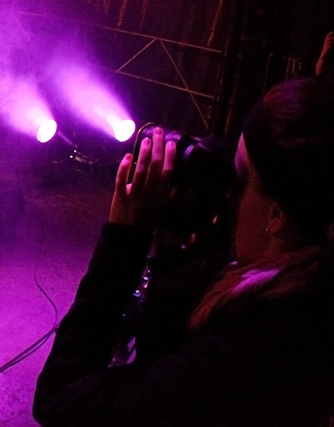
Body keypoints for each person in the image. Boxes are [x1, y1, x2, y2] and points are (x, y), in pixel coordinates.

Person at [33, 77, 334, 426]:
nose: (227, 195)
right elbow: (159, 373)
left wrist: (124, 239)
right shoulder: (304, 286)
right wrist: (171, 249)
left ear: (277, 215)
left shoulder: (251, 348)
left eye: (240, 179)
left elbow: (59, 397)